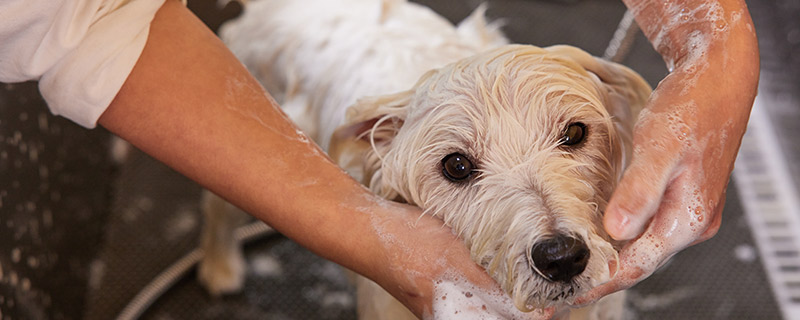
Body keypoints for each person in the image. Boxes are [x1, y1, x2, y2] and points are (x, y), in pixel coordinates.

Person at [0, 0, 758, 318]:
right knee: (231, 195)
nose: (555, 231)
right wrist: (354, 219)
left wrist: (715, 37)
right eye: (457, 169)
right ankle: (215, 236)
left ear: (620, 111)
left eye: (574, 136)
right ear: (369, 156)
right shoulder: (370, 147)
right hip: (293, 40)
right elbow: (83, 22)